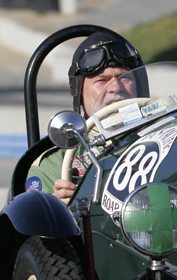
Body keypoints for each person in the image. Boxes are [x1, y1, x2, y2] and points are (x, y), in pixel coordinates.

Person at [26, 31, 143, 202]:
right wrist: (60, 209)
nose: (116, 87)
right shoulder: (54, 165)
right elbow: (34, 223)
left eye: (124, 78)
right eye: (102, 80)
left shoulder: (166, 137)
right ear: (79, 93)